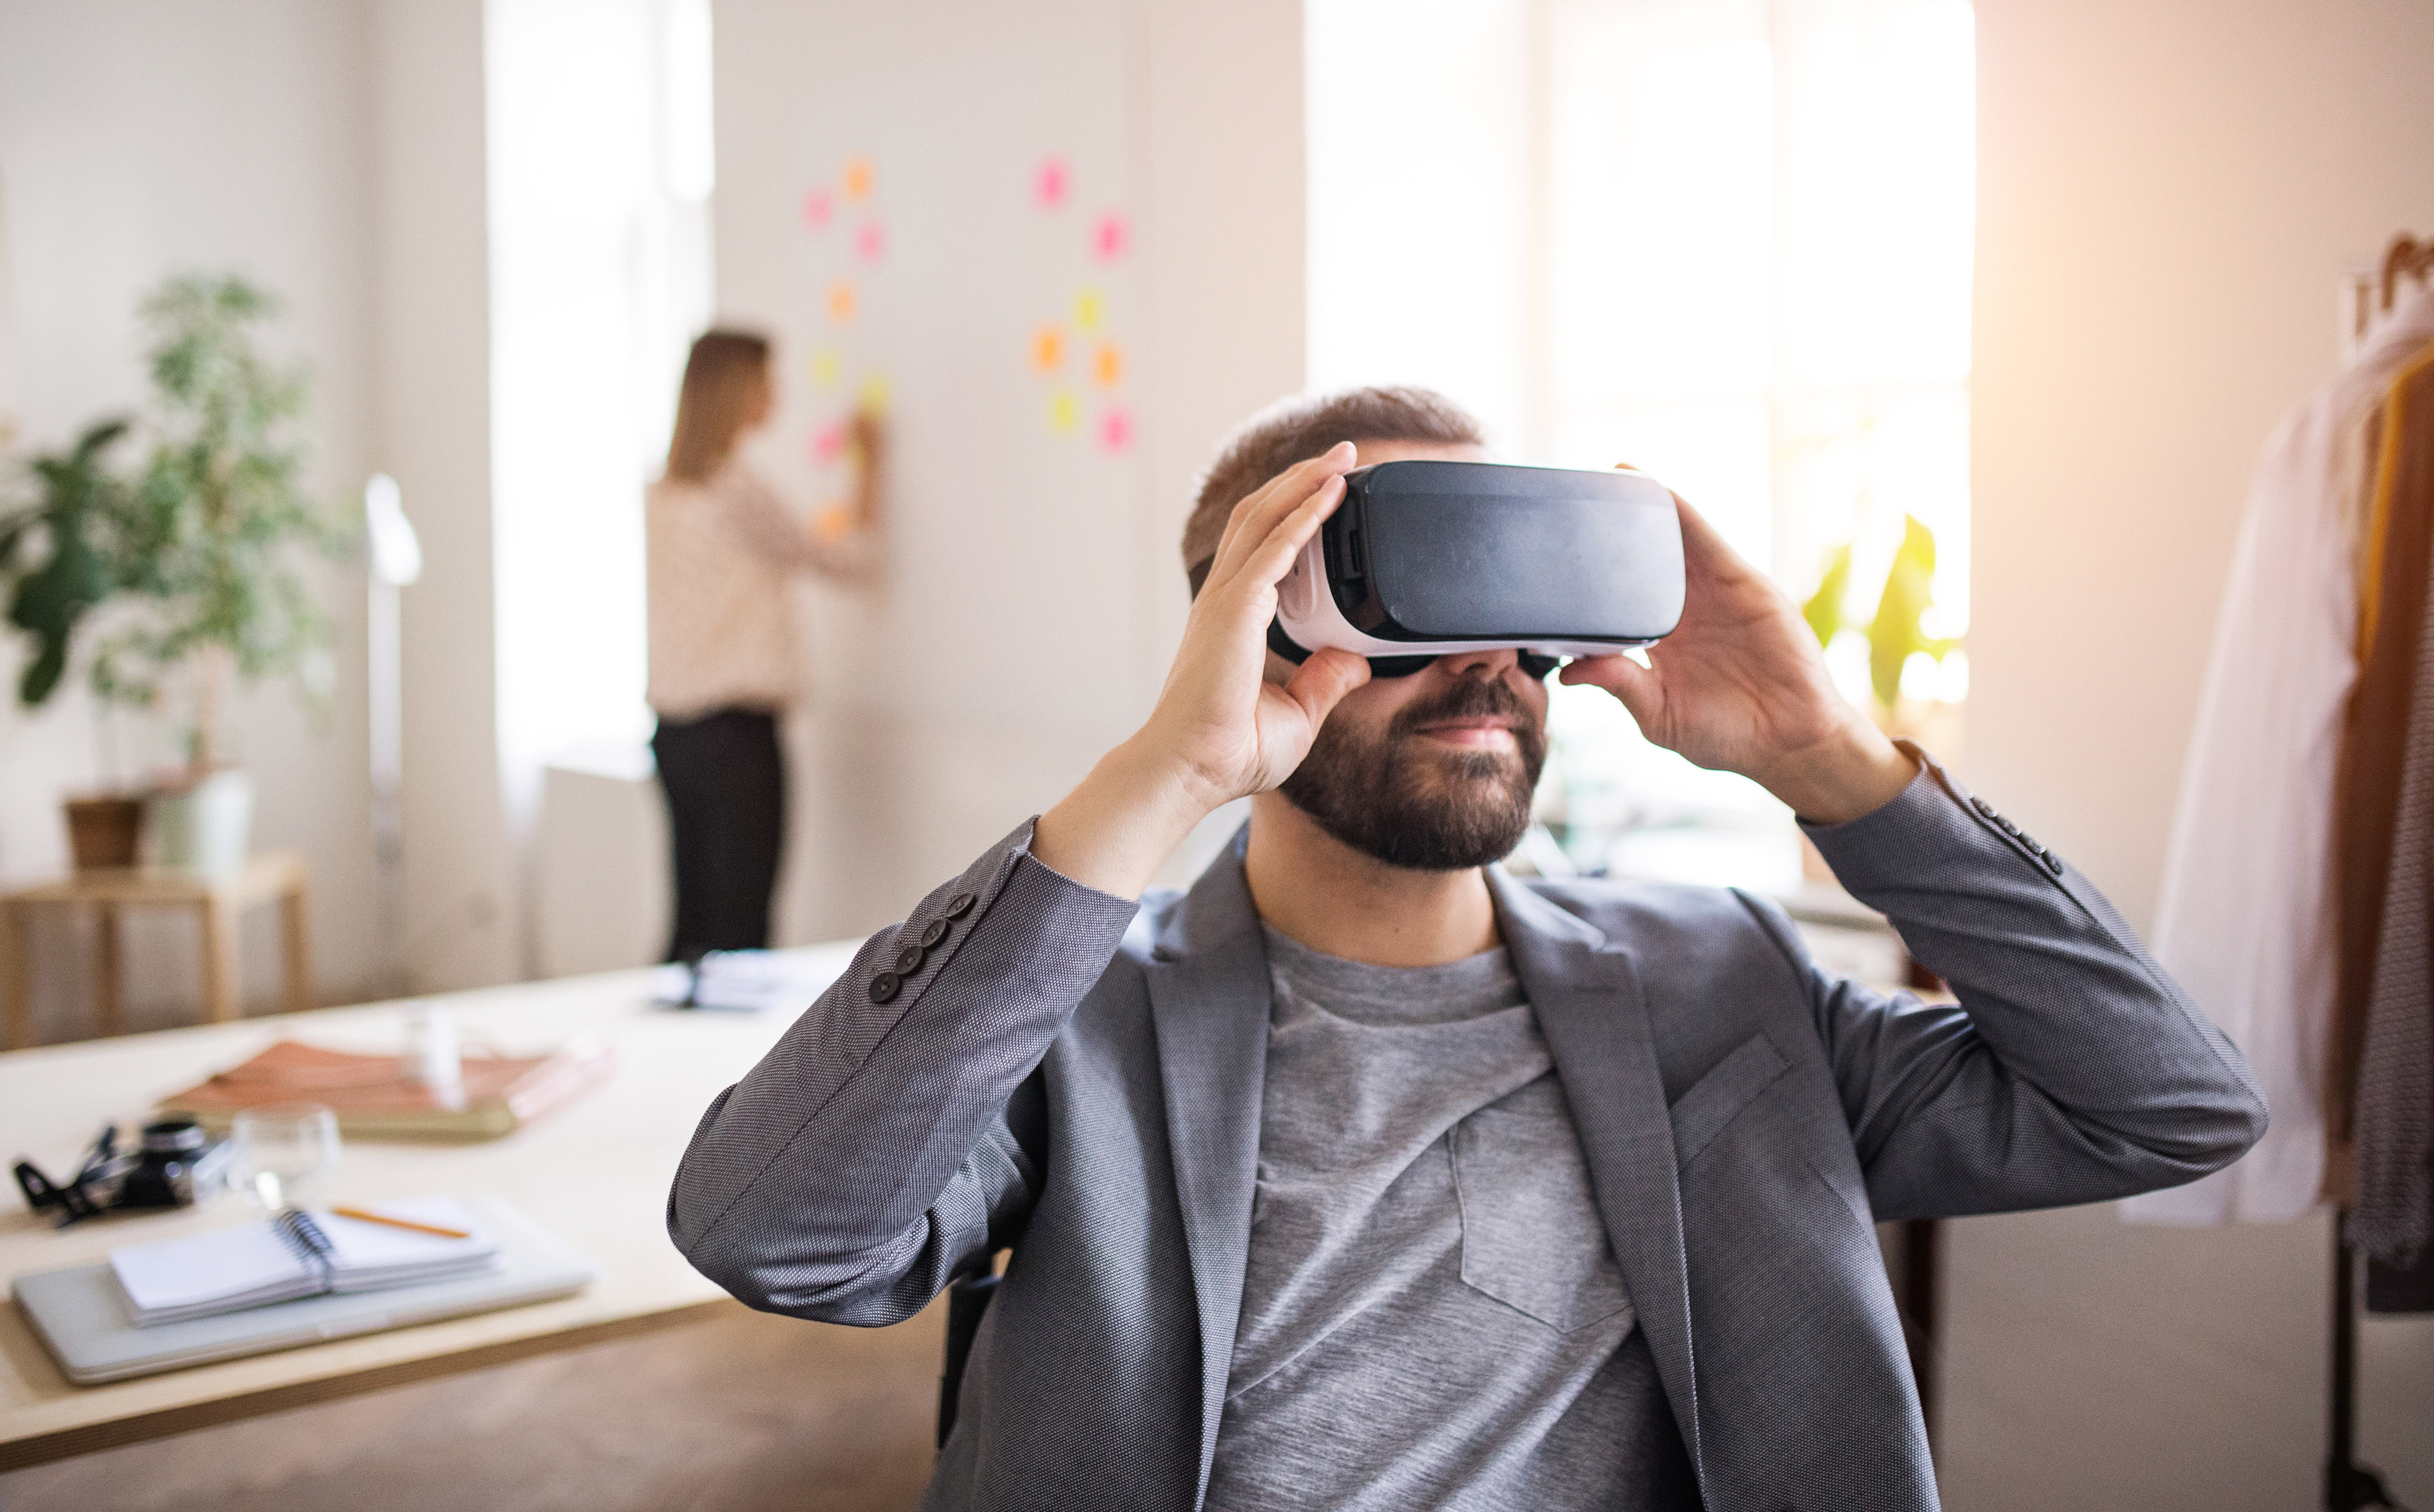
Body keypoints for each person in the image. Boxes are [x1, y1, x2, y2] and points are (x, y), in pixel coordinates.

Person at [667, 387, 2263, 1511]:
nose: (1484, 663)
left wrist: (1828, 754)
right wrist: (1161, 776)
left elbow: (2168, 1104)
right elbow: (773, 1232)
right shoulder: (1083, 1021)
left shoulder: (1721, 980)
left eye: (1511, 595)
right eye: (1404, 595)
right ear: (1251, 621)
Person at [645, 328, 880, 962]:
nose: (776, 396)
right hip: (734, 737)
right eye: (765, 382)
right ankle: (724, 1065)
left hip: (676, 735)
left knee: (693, 923)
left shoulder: (664, 492)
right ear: (734, 389)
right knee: (740, 930)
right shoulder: (734, 490)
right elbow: (844, 560)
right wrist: (869, 463)